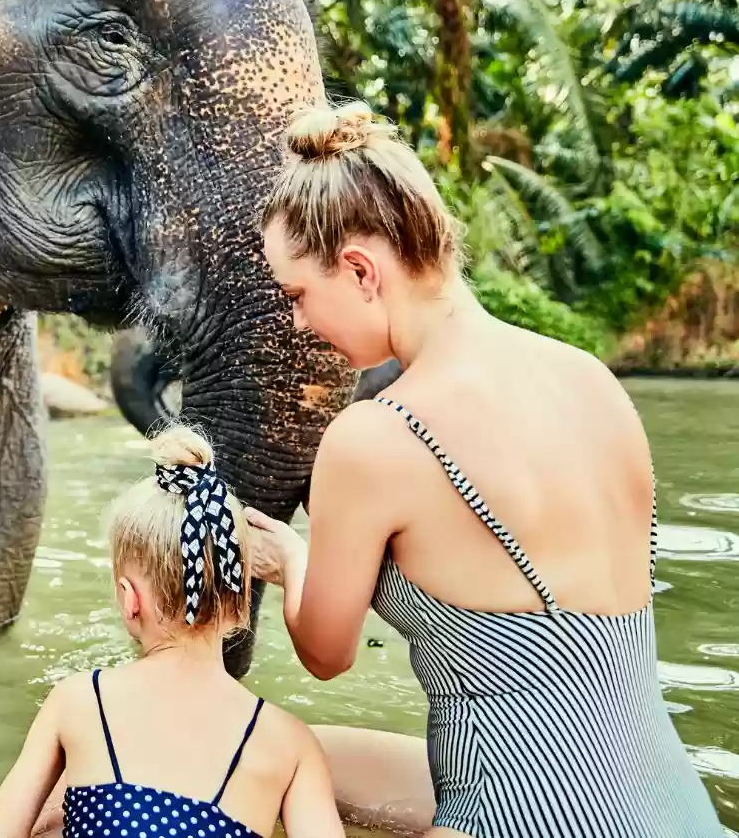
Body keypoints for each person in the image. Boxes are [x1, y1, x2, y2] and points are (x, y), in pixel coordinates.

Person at [244, 101, 724, 837]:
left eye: (299, 295)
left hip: (514, 821)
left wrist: (292, 560)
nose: (301, 323)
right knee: (295, 758)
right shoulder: (591, 379)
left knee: (243, 764)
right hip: (674, 810)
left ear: (362, 271)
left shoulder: (375, 438)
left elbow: (326, 654)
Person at [0, 426, 344, 838]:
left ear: (129, 599)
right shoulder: (290, 743)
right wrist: (295, 563)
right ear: (242, 595)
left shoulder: (80, 699)